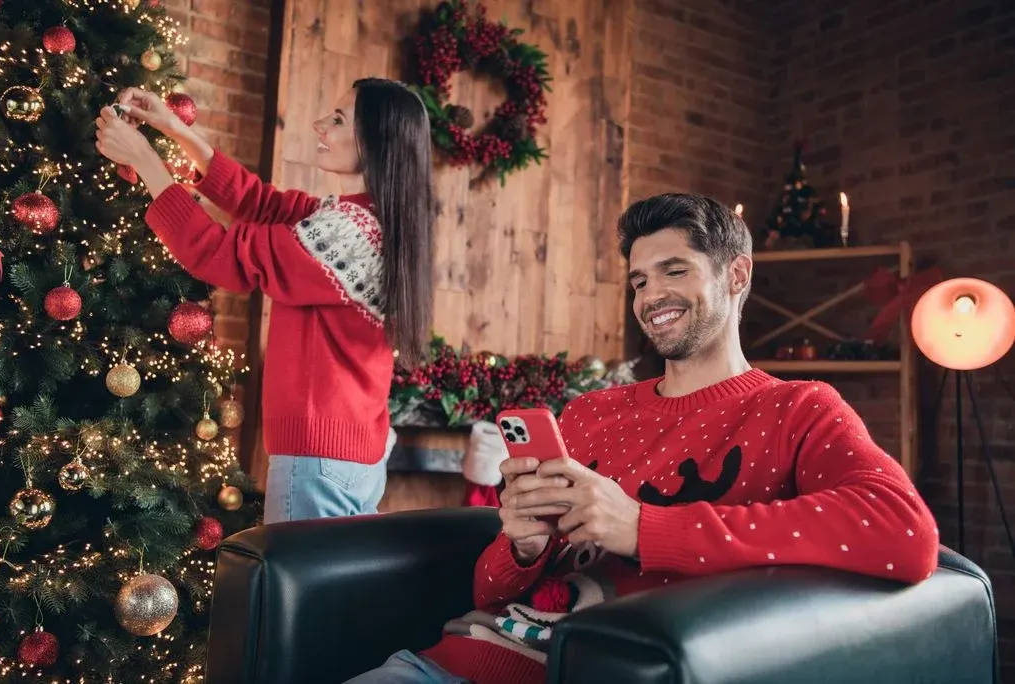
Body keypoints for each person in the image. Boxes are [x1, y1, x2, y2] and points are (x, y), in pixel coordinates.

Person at [342, 193, 940, 684]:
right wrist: (521, 546)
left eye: (674, 271)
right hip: (446, 663)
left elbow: (904, 534)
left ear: (736, 274)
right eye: (638, 281)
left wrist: (642, 528)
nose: (651, 297)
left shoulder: (795, 408)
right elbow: (488, 591)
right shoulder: (588, 413)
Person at [94, 77, 435, 524]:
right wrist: (172, 126)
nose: (320, 126)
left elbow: (219, 257)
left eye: (337, 119)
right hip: (345, 455)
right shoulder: (363, 218)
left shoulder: (349, 234)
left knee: (297, 594)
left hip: (319, 460)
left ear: (376, 140)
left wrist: (144, 160)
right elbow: (262, 203)